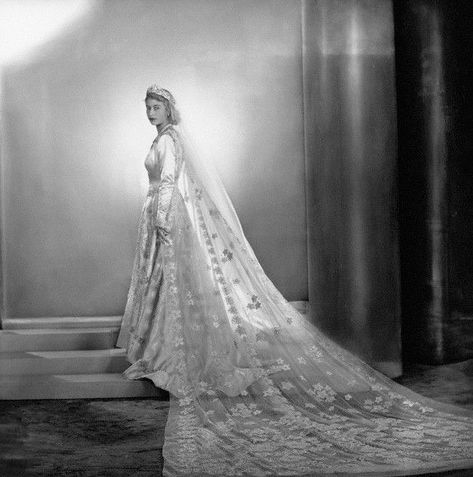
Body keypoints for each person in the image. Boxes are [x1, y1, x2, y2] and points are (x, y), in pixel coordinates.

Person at [117, 85, 473, 477]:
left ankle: (171, 355)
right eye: (147, 107)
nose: (151, 112)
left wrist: (163, 220)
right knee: (161, 283)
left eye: (156, 107)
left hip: (164, 215)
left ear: (169, 110)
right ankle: (157, 350)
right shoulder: (163, 138)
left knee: (172, 285)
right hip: (155, 213)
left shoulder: (171, 142)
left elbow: (168, 184)